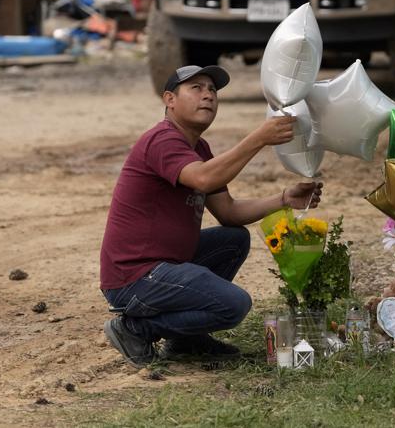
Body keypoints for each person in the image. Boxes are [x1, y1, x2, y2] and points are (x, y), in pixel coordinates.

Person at [99, 64, 322, 367]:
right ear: (170, 100)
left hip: (164, 267)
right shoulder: (162, 140)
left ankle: (185, 339)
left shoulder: (198, 147)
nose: (208, 96)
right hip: (135, 277)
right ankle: (135, 329)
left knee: (233, 239)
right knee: (233, 304)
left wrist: (283, 199)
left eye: (212, 90)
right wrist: (258, 138)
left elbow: (229, 212)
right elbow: (203, 179)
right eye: (196, 88)